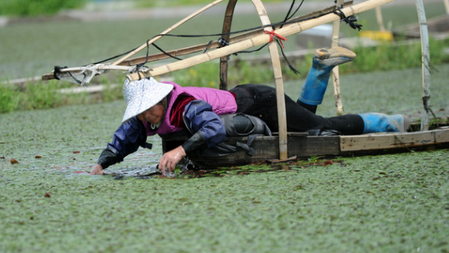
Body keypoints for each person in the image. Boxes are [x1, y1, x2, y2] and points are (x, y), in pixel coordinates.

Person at [90, 47, 409, 175]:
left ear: (161, 100)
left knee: (318, 128)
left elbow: (213, 129)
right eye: (142, 113)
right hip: (247, 98)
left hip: (259, 101)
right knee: (303, 121)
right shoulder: (146, 118)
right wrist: (102, 164)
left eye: (149, 111)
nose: (147, 117)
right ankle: (320, 68)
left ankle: (383, 121)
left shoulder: (185, 105)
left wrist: (180, 150)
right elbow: (124, 139)